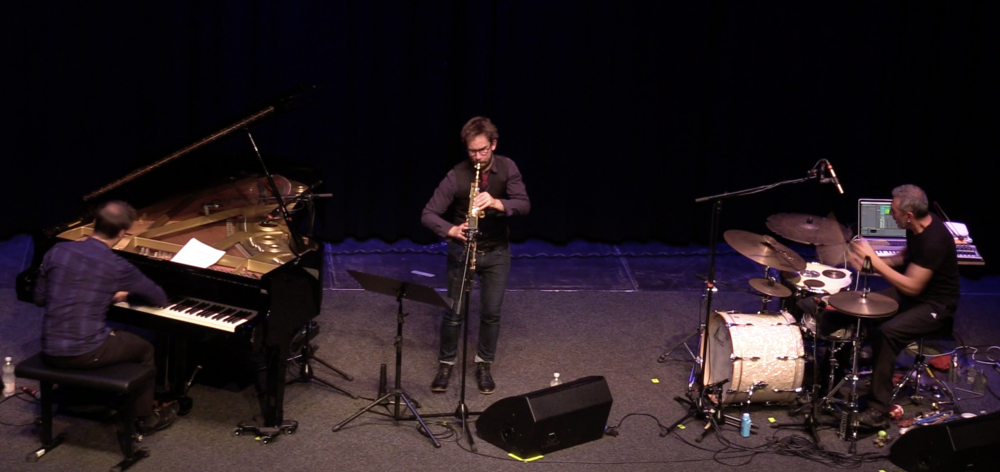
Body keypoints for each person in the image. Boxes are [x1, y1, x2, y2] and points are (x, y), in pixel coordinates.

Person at [33, 200, 177, 433]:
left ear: (94, 223)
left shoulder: (58, 250)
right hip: (86, 352)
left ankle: (82, 396)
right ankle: (144, 418)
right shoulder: (116, 264)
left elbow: (39, 299)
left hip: (50, 348)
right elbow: (159, 298)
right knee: (146, 349)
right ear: (122, 233)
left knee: (112, 338)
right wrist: (123, 294)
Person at [421, 116, 530, 394]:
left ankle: (484, 364)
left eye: (483, 150)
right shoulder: (456, 175)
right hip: (462, 248)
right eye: (472, 151)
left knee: (491, 313)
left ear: (493, 144)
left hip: (496, 251)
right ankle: (446, 364)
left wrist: (496, 202)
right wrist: (452, 230)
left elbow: (524, 204)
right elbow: (428, 214)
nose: (478, 157)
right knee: (454, 312)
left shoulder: (508, 168)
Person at [848, 184, 960, 428]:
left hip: (937, 305)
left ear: (908, 215)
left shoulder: (934, 240)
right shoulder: (916, 227)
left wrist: (875, 261)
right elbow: (903, 259)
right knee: (864, 306)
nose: (890, 214)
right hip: (917, 295)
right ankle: (860, 377)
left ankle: (878, 411)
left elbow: (911, 287)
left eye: (894, 210)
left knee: (888, 333)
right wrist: (869, 265)